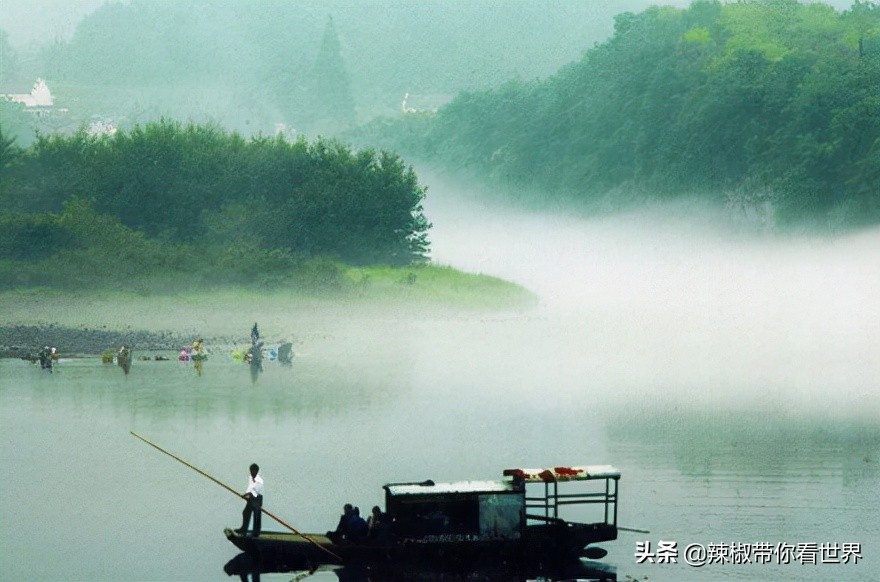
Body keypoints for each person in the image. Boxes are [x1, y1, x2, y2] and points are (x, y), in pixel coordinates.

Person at [236, 463, 264, 536]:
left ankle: (256, 532)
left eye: (252, 471)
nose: (251, 472)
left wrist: (245, 495)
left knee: (256, 515)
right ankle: (244, 529)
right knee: (245, 512)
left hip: (258, 499)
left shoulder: (259, 480)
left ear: (256, 471)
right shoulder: (251, 479)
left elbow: (254, 491)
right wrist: (246, 497)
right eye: (250, 471)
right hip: (251, 499)